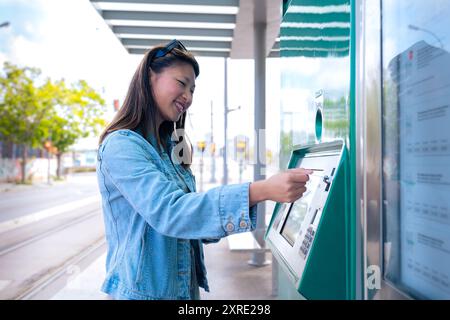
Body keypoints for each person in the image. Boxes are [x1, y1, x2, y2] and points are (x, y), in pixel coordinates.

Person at [96, 39, 312, 300]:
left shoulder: (169, 149)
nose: (187, 97)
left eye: (193, 90)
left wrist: (223, 214)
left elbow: (189, 223)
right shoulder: (121, 146)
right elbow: (171, 212)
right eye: (181, 83)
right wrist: (260, 190)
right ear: (150, 76)